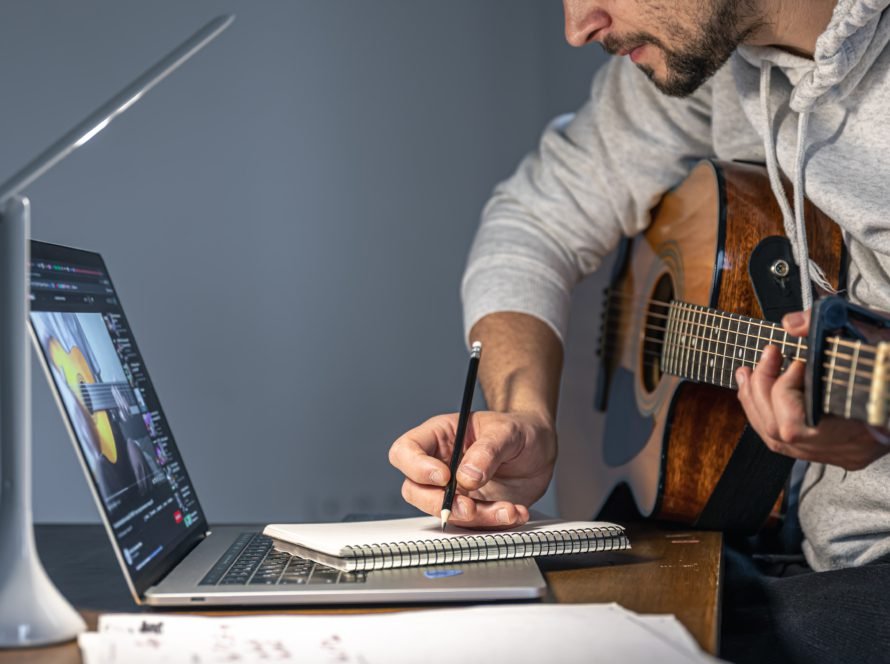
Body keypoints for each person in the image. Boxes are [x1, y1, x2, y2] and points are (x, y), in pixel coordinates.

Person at [389, 0, 890, 660]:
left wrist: (880, 438)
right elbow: (534, 221)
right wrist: (526, 415)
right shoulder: (712, 55)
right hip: (766, 538)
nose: (577, 28)